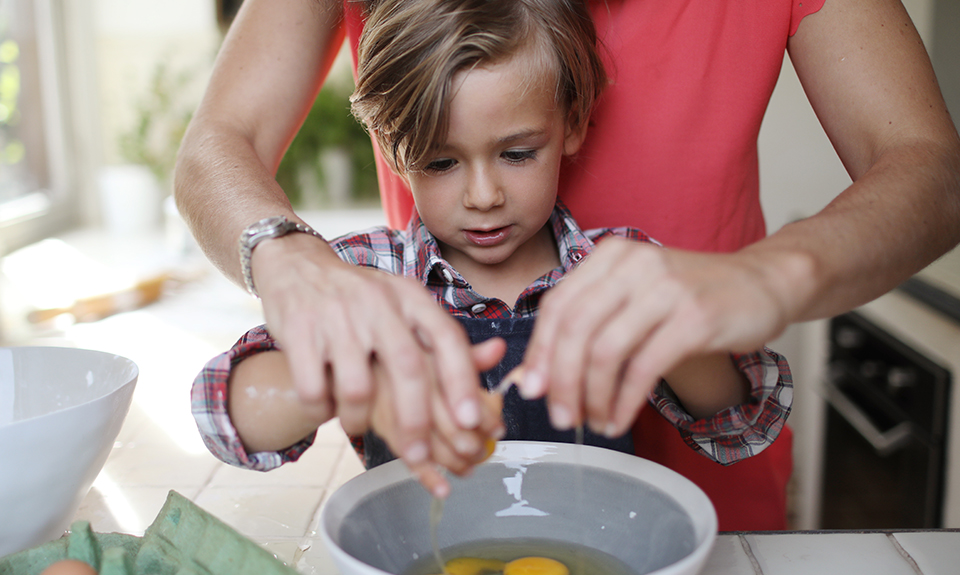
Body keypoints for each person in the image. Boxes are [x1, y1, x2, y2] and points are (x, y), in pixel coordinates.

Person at [174, 0, 960, 530]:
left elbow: (928, 166)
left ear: (572, 124)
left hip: (688, 526)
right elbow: (227, 408)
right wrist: (314, 326)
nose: (482, 195)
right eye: (440, 162)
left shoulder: (615, 266)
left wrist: (748, 286)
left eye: (518, 152)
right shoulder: (380, 273)